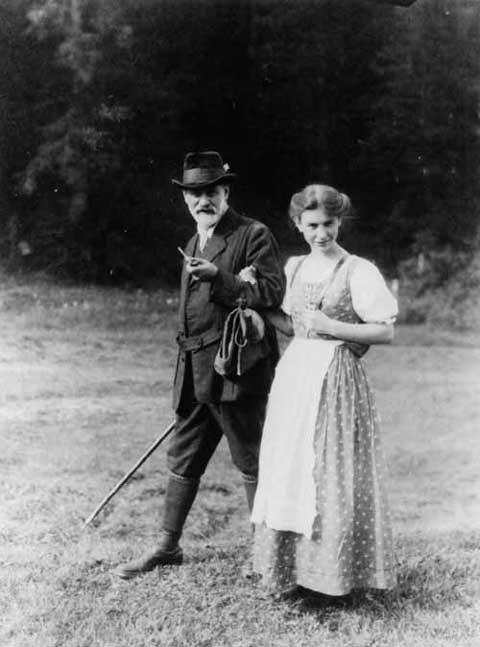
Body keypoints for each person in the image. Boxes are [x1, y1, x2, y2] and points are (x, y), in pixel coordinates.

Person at [116, 151, 284, 579]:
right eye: (194, 193)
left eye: (211, 191)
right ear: (185, 199)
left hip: (235, 370)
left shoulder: (252, 235)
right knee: (183, 456)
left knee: (251, 458)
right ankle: (167, 547)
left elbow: (271, 293)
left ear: (226, 192)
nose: (202, 200)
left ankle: (267, 555)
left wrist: (221, 279)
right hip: (194, 372)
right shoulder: (193, 241)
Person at [251, 184, 398, 597]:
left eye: (329, 224)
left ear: (339, 222)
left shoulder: (359, 269)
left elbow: (385, 331)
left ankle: (333, 576)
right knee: (291, 468)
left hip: (336, 377)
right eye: (313, 225)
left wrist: (332, 326)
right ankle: (291, 572)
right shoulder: (294, 267)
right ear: (298, 225)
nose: (322, 234)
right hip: (295, 375)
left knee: (328, 471)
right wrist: (252, 304)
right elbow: (293, 326)